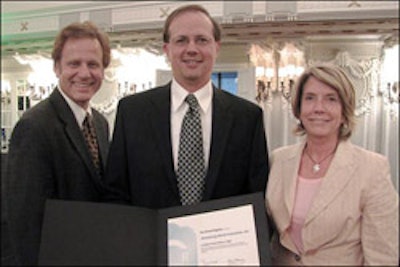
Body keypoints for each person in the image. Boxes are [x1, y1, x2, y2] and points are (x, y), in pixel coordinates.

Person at [103, 4, 269, 208]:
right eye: (181, 40)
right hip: (149, 238)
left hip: (220, 238)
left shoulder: (247, 118)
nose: (192, 49)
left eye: (202, 40)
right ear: (167, 49)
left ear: (216, 47)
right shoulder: (132, 113)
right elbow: (116, 193)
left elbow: (256, 197)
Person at [265, 64, 399, 265]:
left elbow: (382, 256)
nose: (319, 108)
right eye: (310, 98)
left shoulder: (372, 168)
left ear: (344, 111)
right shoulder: (278, 160)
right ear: (298, 108)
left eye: (331, 99)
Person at [5, 21, 111, 265]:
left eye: (93, 64)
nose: (84, 73)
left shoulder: (101, 124)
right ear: (56, 68)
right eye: (74, 64)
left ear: (103, 70)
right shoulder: (35, 126)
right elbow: (26, 225)